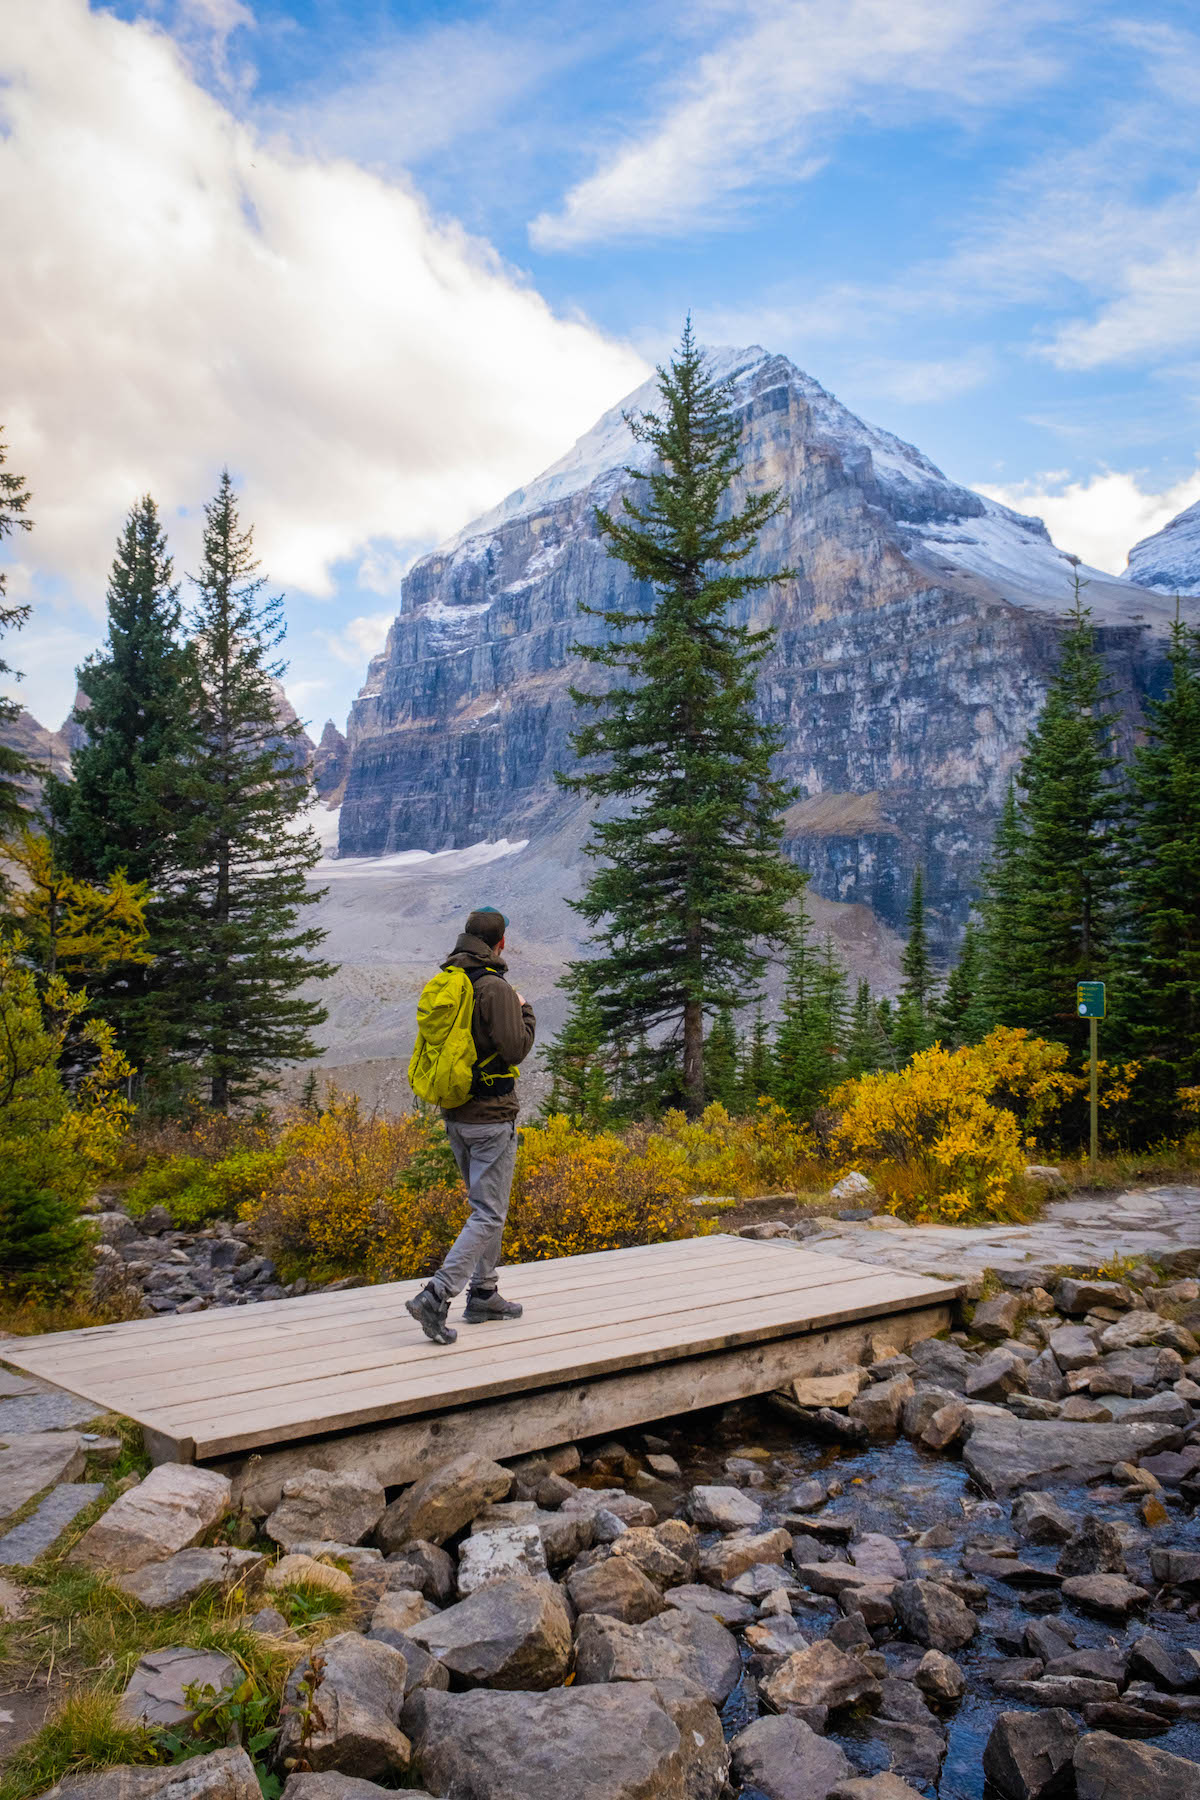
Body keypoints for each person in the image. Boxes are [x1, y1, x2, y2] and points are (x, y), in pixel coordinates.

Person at [406, 906, 536, 1345]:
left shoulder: (451, 979)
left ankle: (484, 1294)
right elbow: (515, 1049)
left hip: (457, 1114)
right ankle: (437, 1295)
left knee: (484, 1208)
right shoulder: (495, 987)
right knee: (489, 1211)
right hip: (491, 1116)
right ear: (501, 942)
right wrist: (527, 1011)